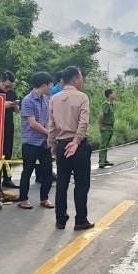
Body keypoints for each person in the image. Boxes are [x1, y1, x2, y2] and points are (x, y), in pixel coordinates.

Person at [48, 65, 94, 231]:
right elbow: (83, 123)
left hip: (61, 145)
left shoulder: (54, 98)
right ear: (76, 79)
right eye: (81, 77)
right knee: (81, 184)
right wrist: (76, 142)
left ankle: (60, 220)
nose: (82, 81)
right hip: (78, 146)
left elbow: (51, 124)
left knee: (62, 183)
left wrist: (52, 144)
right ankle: (80, 219)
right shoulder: (82, 97)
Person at [17, 72, 55, 210]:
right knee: (27, 171)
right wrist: (49, 133)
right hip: (31, 142)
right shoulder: (27, 100)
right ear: (44, 85)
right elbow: (32, 124)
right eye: (50, 85)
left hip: (44, 143)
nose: (51, 87)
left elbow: (49, 119)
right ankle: (23, 199)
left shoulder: (47, 99)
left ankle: (44, 198)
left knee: (47, 171)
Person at [98, 88, 116, 168]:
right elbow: (102, 115)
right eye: (113, 93)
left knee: (106, 145)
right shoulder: (106, 104)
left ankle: (104, 160)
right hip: (106, 127)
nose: (115, 94)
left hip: (110, 127)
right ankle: (101, 162)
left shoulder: (111, 104)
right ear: (110, 95)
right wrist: (101, 126)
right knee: (103, 145)